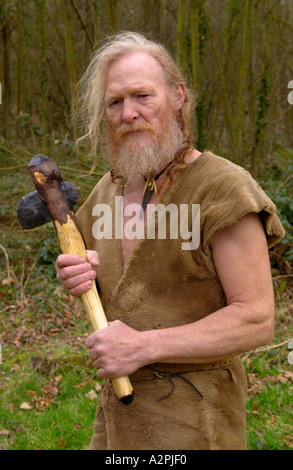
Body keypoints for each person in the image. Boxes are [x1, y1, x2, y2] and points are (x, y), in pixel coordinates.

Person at [55, 32, 285, 450]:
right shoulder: (107, 192)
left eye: (143, 96)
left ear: (178, 97)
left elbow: (256, 319)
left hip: (196, 421)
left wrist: (143, 347)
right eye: (115, 102)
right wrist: (76, 273)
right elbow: (113, 289)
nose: (129, 113)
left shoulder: (222, 190)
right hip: (116, 424)